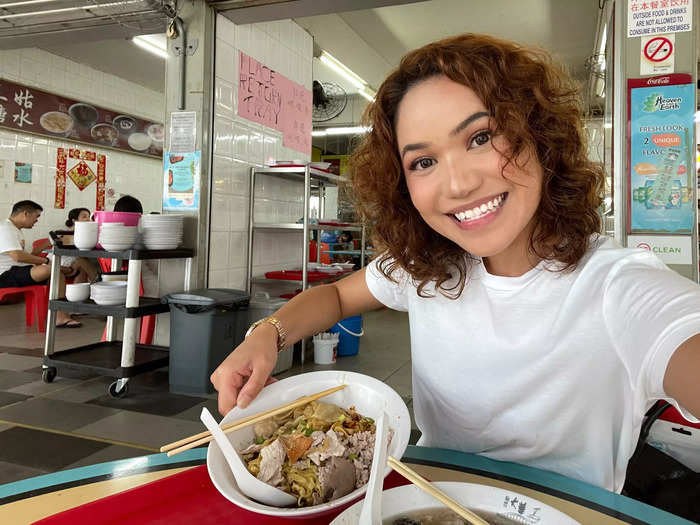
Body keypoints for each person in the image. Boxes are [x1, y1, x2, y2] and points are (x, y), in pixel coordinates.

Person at [210, 34, 700, 493]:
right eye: (423, 162)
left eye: (481, 137)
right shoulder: (430, 266)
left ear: (539, 135)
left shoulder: (617, 286)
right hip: (421, 502)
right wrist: (265, 336)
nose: (458, 185)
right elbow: (337, 295)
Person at [0, 200, 80, 327]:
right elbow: (17, 256)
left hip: (17, 271)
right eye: (36, 217)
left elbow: (28, 256)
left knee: (57, 270)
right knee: (51, 270)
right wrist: (46, 261)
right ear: (25, 213)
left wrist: (48, 243)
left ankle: (61, 313)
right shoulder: (5, 228)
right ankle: (60, 315)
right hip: (5, 275)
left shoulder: (15, 229)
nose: (36, 221)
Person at [59, 208, 97, 283]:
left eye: (89, 217)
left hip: (75, 261)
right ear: (74, 220)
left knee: (83, 263)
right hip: (61, 261)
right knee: (82, 261)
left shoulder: (84, 234)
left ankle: (95, 284)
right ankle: (97, 282)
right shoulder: (65, 233)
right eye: (84, 217)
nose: (88, 219)